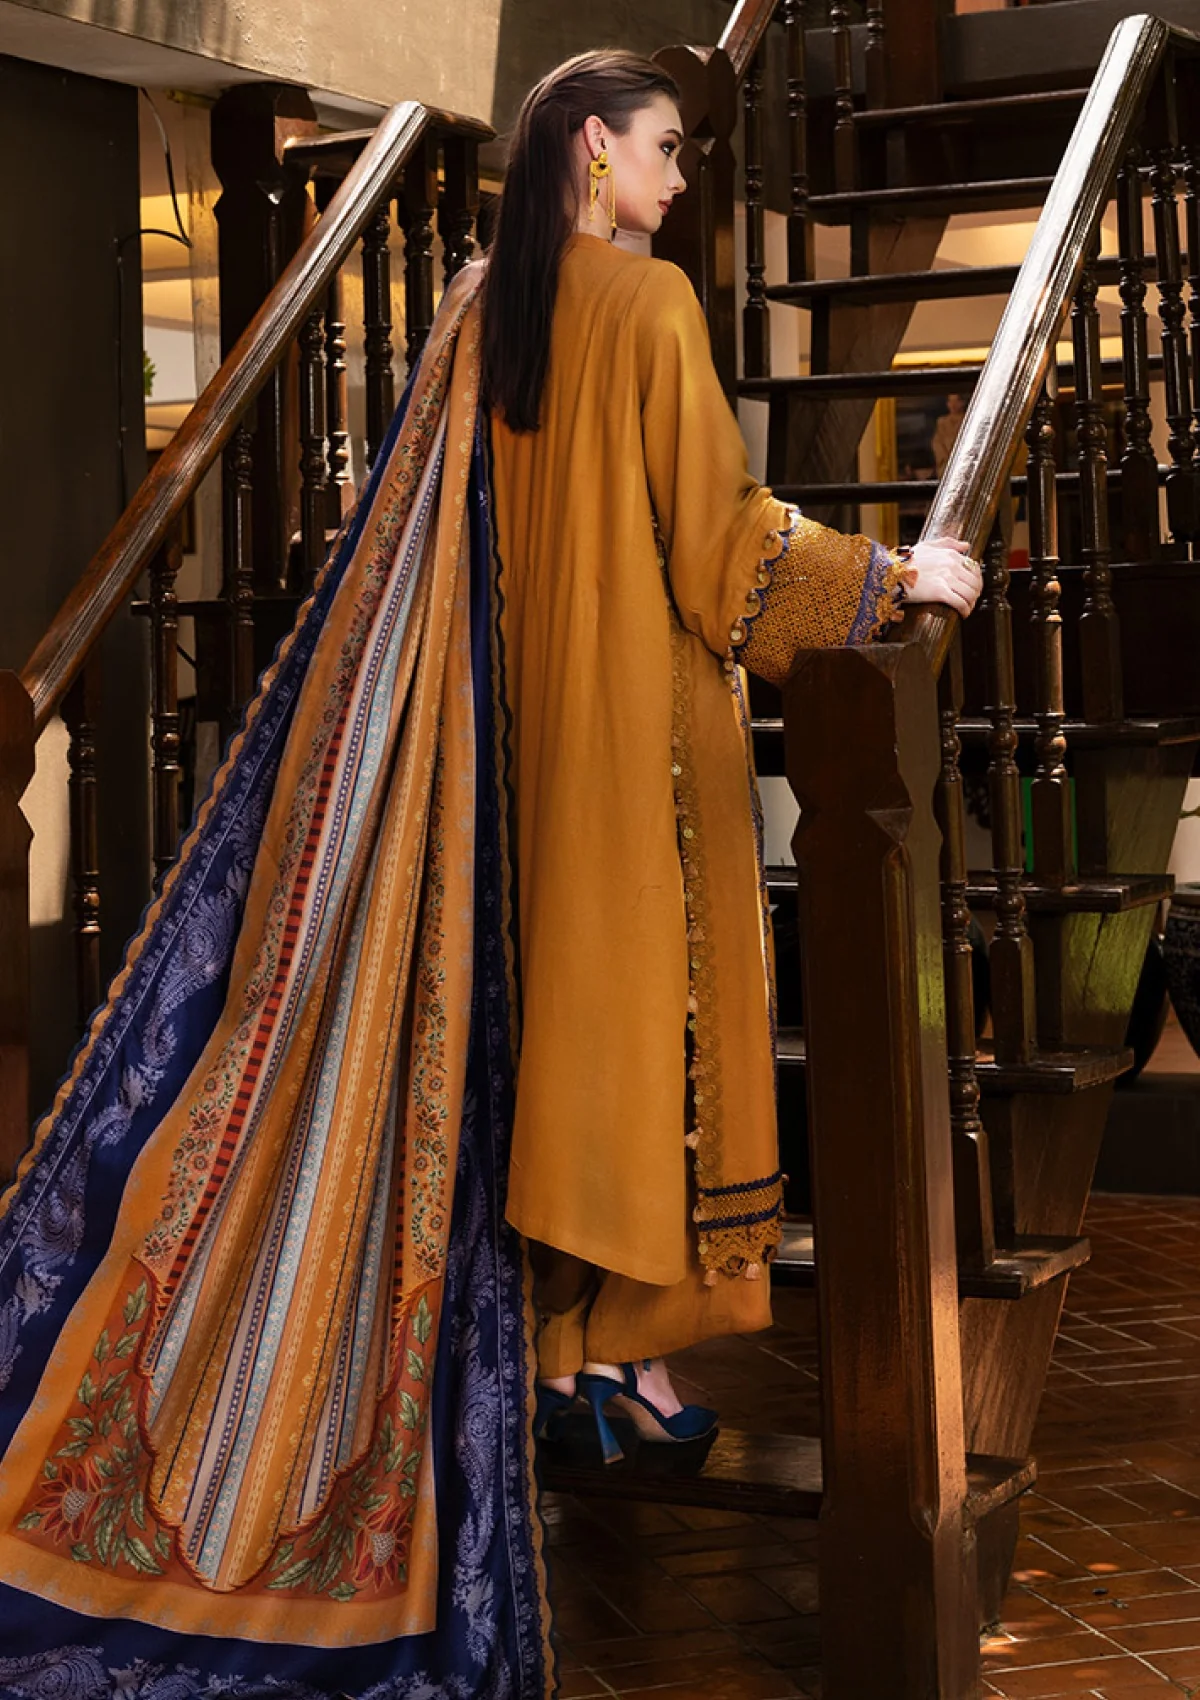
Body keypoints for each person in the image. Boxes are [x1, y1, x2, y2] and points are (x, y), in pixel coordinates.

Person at [0, 48, 980, 1700]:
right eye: (664, 150)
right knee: (651, 1046)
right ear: (594, 150)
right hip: (636, 757)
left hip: (500, 757)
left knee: (557, 1052)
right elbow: (725, 552)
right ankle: (616, 1362)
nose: (681, 180)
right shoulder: (647, 304)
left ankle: (584, 1364)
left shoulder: (477, 309)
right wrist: (894, 577)